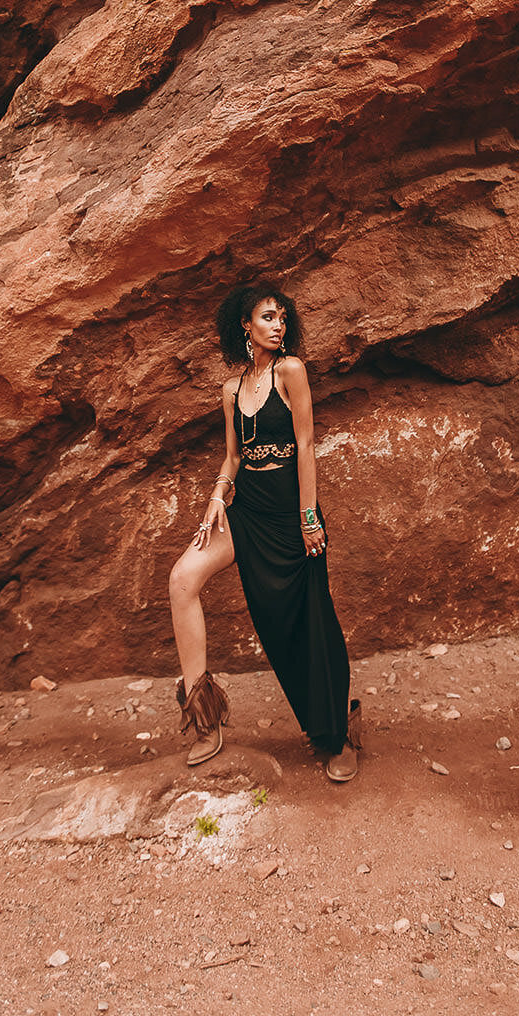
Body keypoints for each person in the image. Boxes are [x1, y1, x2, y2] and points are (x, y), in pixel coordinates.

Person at [168, 280, 360, 782]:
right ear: (245, 327)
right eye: (268, 318)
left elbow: (306, 443)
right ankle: (205, 720)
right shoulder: (230, 390)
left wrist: (309, 517)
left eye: (282, 318)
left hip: (293, 517)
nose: (279, 326)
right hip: (246, 512)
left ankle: (338, 731)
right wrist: (215, 499)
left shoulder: (291, 372)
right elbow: (234, 456)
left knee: (312, 624)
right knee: (182, 580)